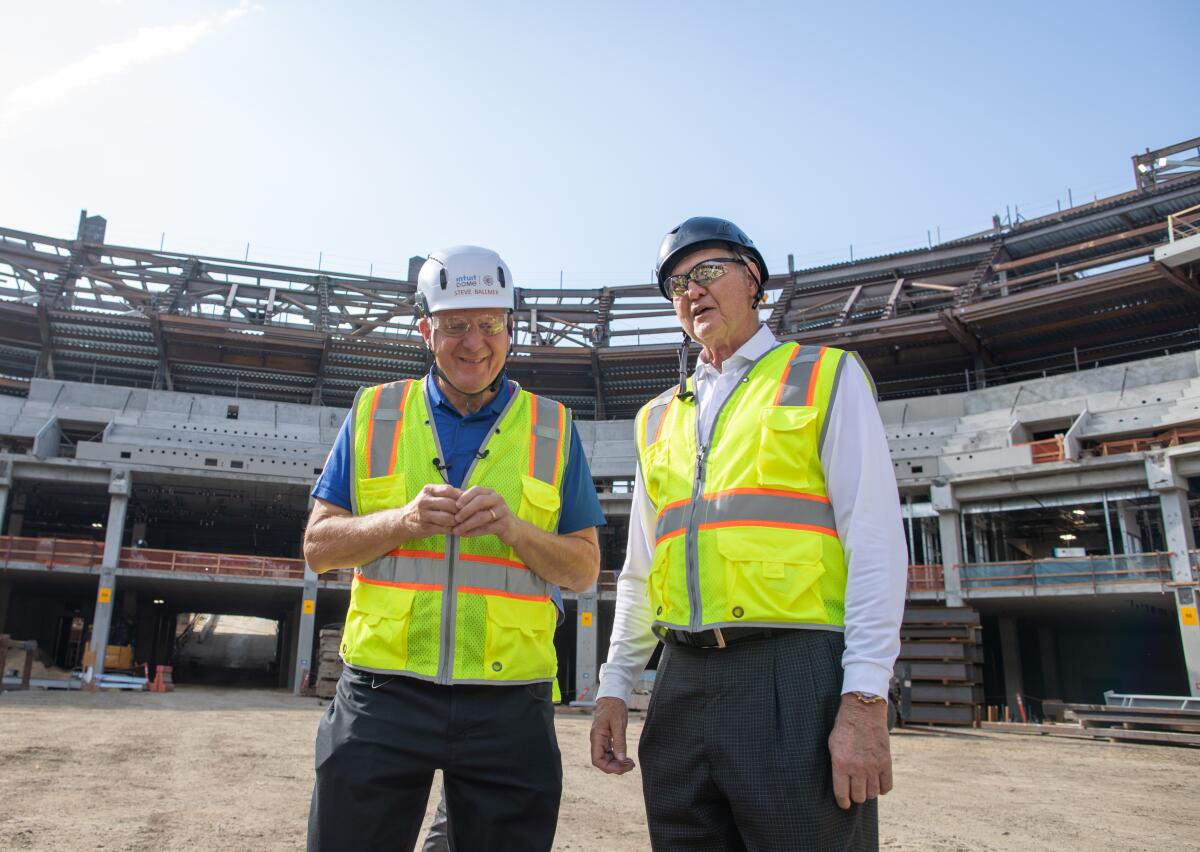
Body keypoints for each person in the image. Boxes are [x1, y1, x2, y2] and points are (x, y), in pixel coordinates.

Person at [589, 217, 907, 851]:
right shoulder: (657, 418)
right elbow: (640, 571)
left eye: (707, 272)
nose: (691, 291)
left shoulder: (825, 377)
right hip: (680, 680)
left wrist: (866, 700)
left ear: (753, 278)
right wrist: (615, 687)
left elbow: (874, 543)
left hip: (793, 674)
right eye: (676, 284)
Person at [305, 245, 604, 852]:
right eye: (456, 325)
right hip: (383, 692)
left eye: (490, 324)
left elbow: (584, 569)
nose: (474, 343)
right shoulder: (373, 413)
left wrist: (517, 530)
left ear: (511, 330)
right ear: (426, 331)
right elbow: (318, 548)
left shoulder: (553, 426)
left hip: (509, 704)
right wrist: (403, 520)